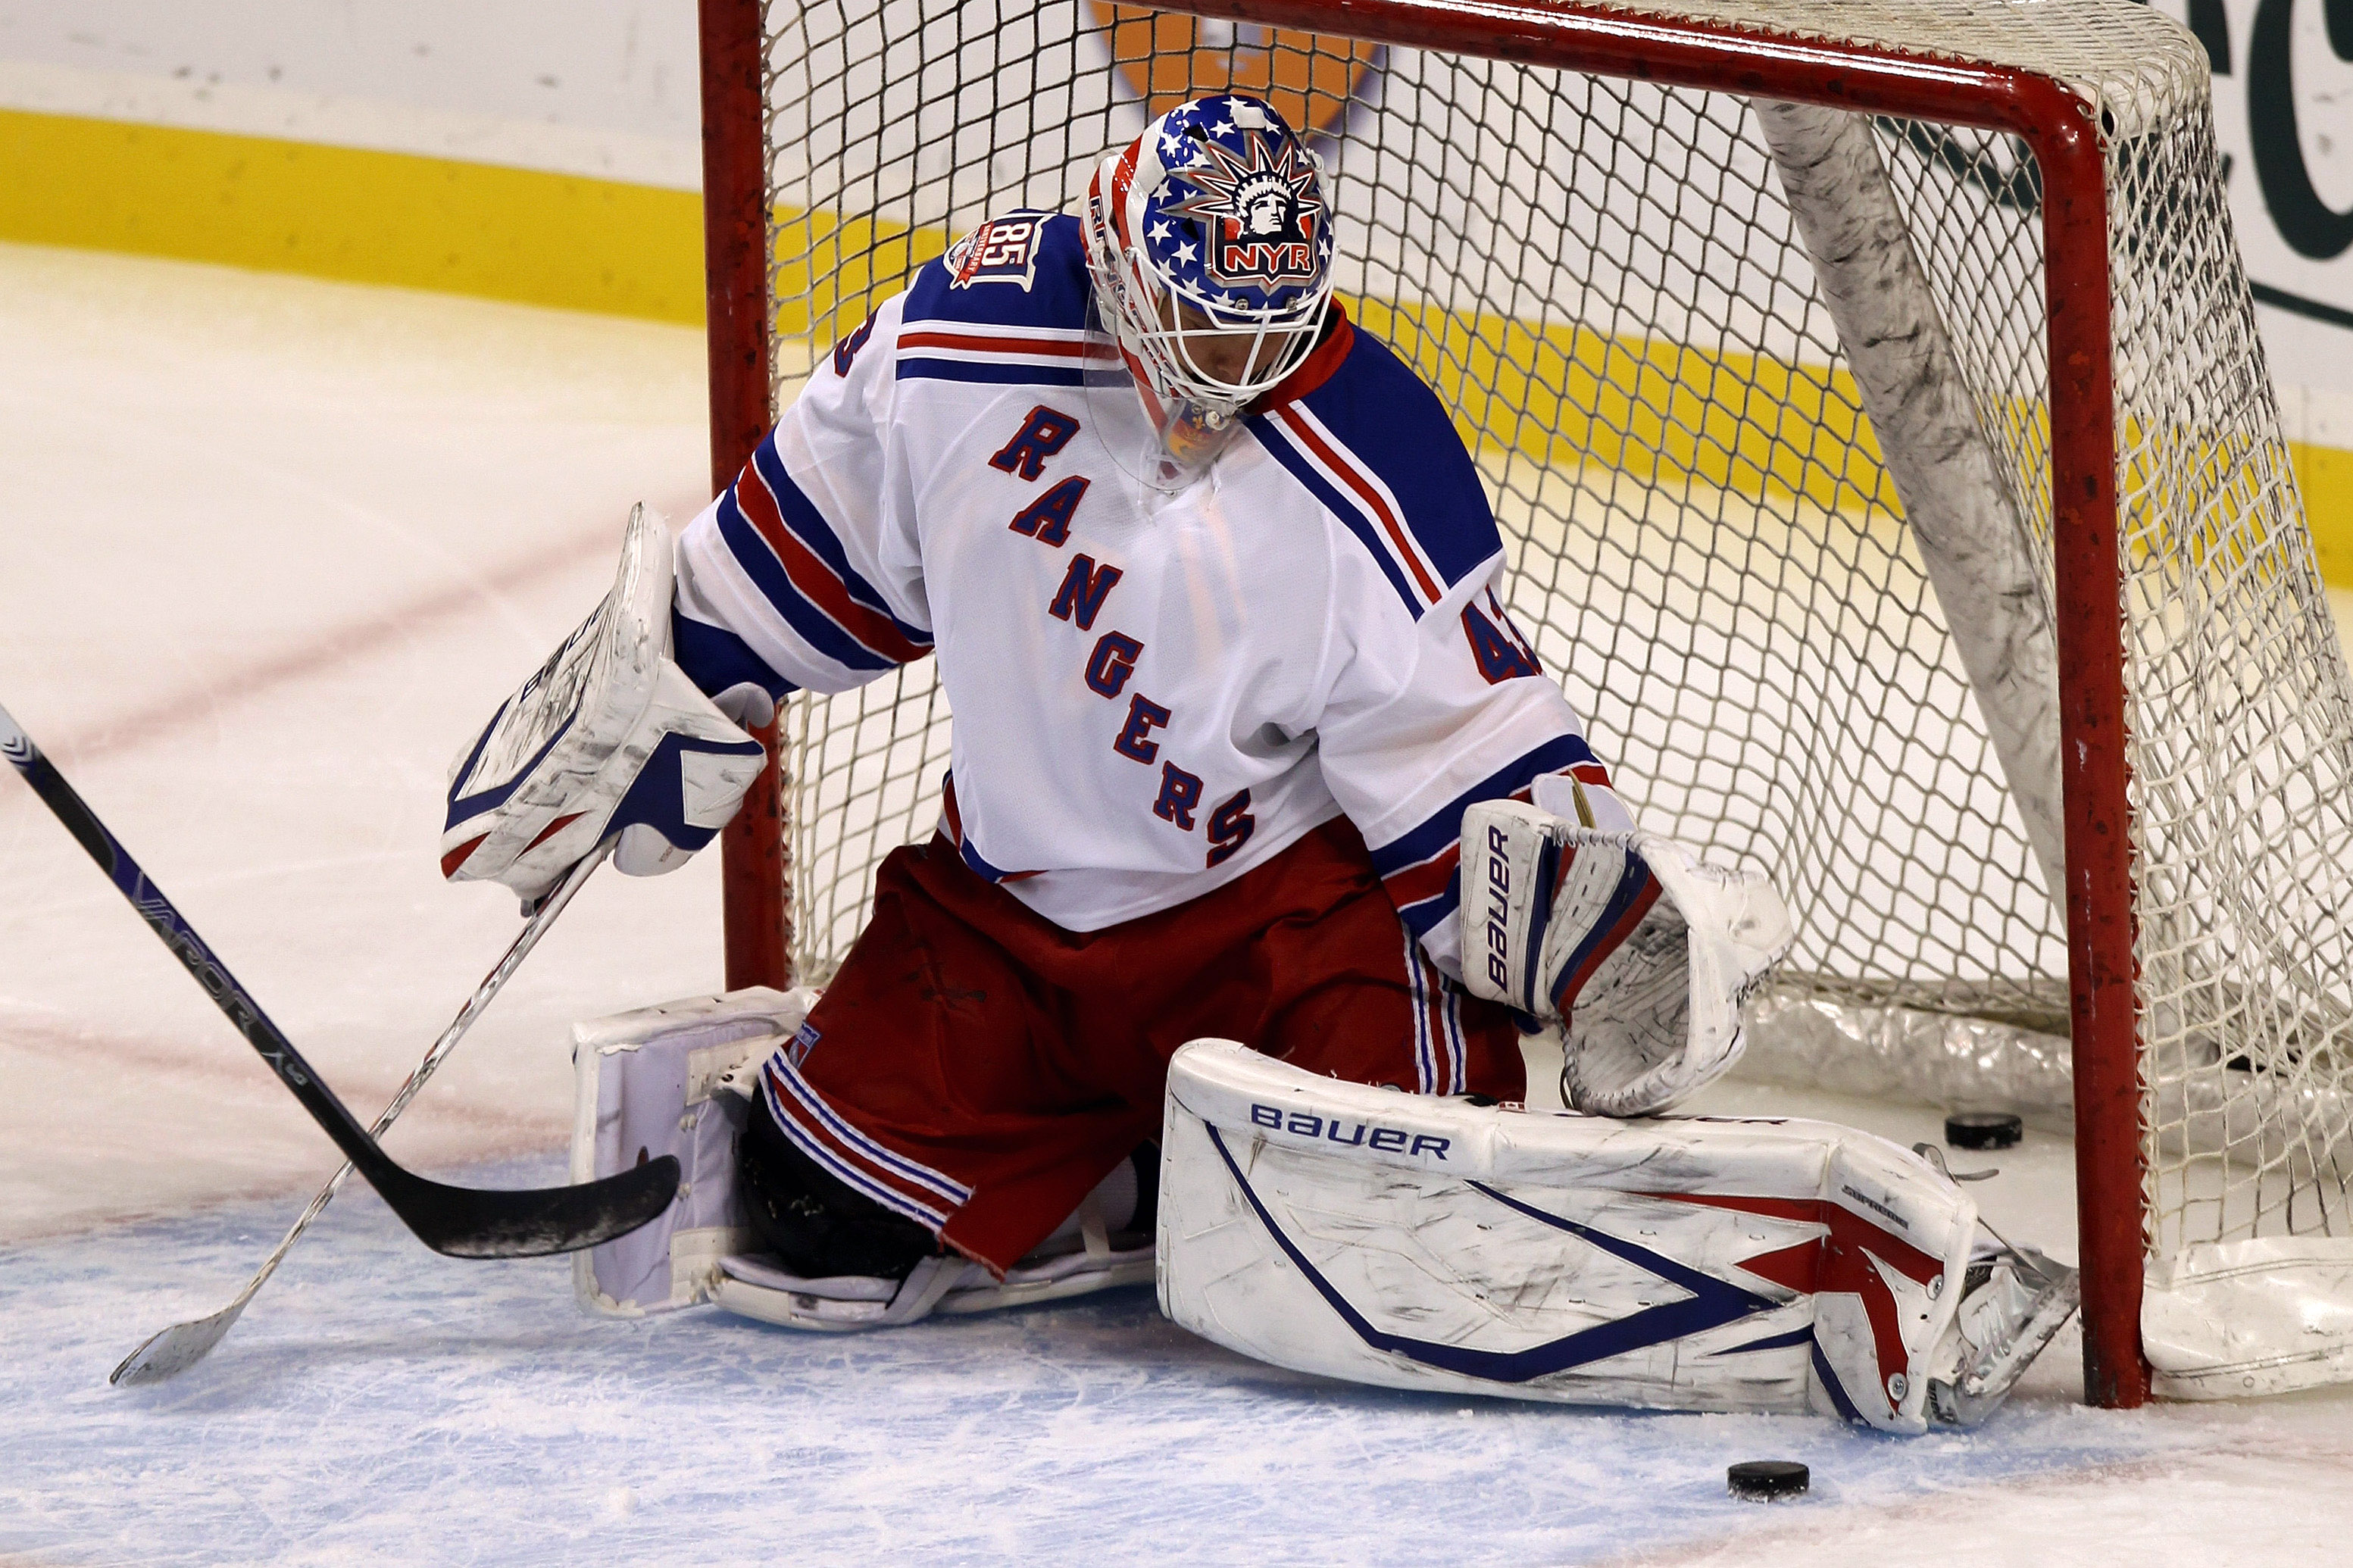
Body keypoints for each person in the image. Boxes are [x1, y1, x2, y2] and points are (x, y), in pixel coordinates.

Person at [439, 95, 2076, 1429]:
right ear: (1114, 259)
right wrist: (659, 691)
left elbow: (1462, 754)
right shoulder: (946, 355)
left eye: (1260, 342)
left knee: (1403, 1225)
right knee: (809, 1233)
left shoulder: (1367, 454)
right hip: (1008, 923)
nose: (1217, 390)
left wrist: (1601, 941)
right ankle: (1128, 1175)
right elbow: (796, 556)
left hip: (1281, 925)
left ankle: (1777, 1272)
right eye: (1194, 334)